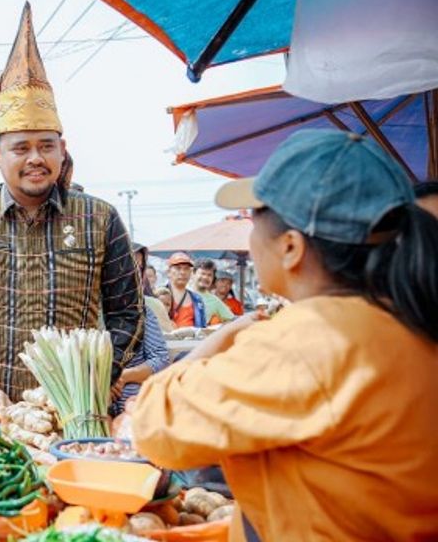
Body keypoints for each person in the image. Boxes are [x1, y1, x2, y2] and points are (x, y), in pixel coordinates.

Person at [133, 130, 438, 541]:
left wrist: (221, 340)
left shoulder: (313, 338)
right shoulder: (407, 317)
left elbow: (156, 426)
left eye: (254, 218)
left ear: (291, 247)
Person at [0, 4, 143, 414]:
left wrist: (98, 377)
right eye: (21, 147)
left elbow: (128, 313)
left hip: (73, 416)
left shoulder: (100, 218)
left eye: (46, 146)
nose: (35, 158)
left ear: (62, 150)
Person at [165, 252, 206, 328]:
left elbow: (202, 327)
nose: (182, 272)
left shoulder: (197, 299)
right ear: (168, 272)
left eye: (186, 269)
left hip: (192, 336)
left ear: (190, 273)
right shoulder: (159, 295)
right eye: (178, 268)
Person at [191, 259, 236, 324]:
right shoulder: (184, 292)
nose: (205, 277)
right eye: (202, 273)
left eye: (209, 275)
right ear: (193, 274)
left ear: (213, 278)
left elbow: (232, 320)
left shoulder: (214, 300)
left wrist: (217, 328)